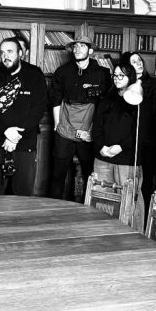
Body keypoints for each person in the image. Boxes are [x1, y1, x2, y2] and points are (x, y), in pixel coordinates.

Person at [0, 38, 48, 196]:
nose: (5, 56)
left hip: (24, 143)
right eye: (2, 52)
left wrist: (15, 136)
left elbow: (38, 109)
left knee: (23, 195)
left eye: (10, 51)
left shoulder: (35, 74)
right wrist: (5, 131)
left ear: (20, 54)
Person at [48, 36, 111, 201]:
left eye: (82, 46)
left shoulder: (102, 73)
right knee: (57, 174)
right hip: (65, 126)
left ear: (90, 51)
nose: (77, 48)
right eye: (75, 46)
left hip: (89, 128)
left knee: (90, 173)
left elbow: (105, 105)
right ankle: (53, 211)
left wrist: (94, 131)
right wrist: (57, 124)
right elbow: (55, 98)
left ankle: (87, 210)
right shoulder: (62, 72)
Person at [92, 61, 148, 228]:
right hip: (103, 158)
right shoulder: (106, 98)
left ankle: (135, 239)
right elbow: (97, 127)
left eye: (121, 76)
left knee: (130, 202)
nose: (116, 79)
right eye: (114, 75)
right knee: (102, 201)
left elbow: (140, 132)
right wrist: (101, 147)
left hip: (126, 159)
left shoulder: (137, 99)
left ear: (130, 77)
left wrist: (120, 147)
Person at [121, 50, 156, 205]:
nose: (139, 62)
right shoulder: (123, 84)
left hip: (146, 140)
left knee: (145, 181)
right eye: (134, 61)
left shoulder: (153, 84)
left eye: (139, 60)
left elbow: (153, 114)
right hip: (126, 141)